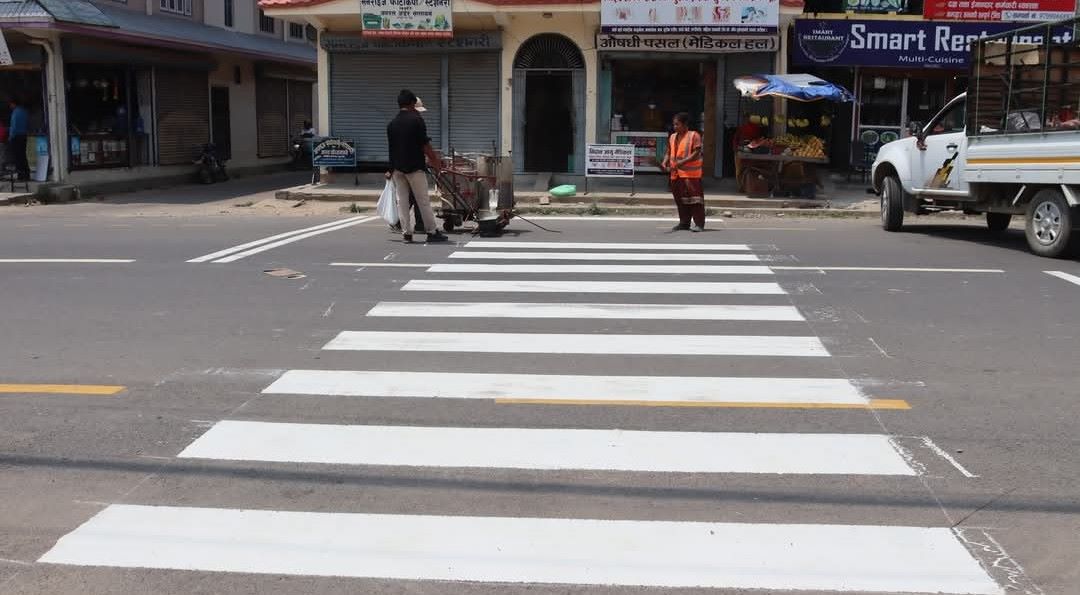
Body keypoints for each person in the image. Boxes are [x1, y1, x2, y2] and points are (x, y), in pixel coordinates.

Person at [387, 90, 447, 243]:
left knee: (402, 202)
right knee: (423, 201)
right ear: (413, 103)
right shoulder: (416, 121)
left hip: (397, 169)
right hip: (414, 168)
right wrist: (435, 162)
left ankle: (406, 234)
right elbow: (424, 145)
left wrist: (390, 169)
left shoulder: (392, 124)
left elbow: (391, 149)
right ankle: (432, 232)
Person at [662, 112, 706, 232]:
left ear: (685, 124)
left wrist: (681, 163)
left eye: (677, 124)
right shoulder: (672, 137)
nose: (675, 127)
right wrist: (664, 162)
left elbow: (696, 152)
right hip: (676, 175)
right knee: (680, 200)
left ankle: (699, 224)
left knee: (695, 200)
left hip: (691, 175)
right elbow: (668, 152)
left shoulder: (694, 135)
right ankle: (684, 223)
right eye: (674, 124)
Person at [732, 113, 762, 192]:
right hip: (742, 150)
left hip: (749, 151)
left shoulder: (755, 128)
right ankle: (741, 187)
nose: (745, 120)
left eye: (746, 118)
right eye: (744, 118)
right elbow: (735, 139)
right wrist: (735, 148)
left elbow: (757, 140)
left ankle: (744, 186)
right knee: (740, 170)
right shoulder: (742, 128)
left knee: (743, 170)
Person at [8, 98, 30, 181]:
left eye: (11, 104)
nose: (10, 106)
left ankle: (20, 175)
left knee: (17, 156)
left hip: (16, 137)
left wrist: (10, 137)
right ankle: (26, 174)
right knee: (23, 155)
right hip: (23, 135)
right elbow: (27, 123)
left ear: (14, 104)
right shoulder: (24, 112)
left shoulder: (15, 113)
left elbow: (14, 126)